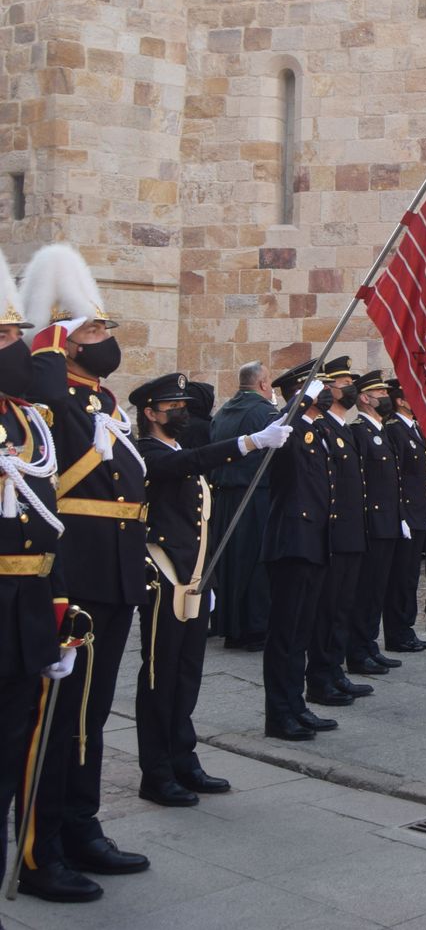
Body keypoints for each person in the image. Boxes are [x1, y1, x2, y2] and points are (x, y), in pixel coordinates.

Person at [17, 244, 152, 897]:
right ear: (67, 342)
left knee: (90, 716)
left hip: (115, 570)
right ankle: (48, 844)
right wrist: (43, 338)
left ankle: (81, 826)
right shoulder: (53, 393)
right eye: (95, 330)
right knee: (60, 718)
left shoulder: (99, 399)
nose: (107, 341)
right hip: (77, 571)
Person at [130, 372, 291, 807]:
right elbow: (186, 465)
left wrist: (209, 580)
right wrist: (251, 442)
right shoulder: (146, 451)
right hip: (164, 579)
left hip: (195, 577)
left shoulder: (178, 448)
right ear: (150, 413)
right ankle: (156, 771)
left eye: (185, 403)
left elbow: (198, 522)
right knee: (159, 678)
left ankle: (183, 758)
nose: (182, 411)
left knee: (187, 675)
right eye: (173, 406)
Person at [0, 249, 81, 901]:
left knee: (11, 760)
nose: (15, 346)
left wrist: (54, 612)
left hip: (25, 614)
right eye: (1, 338)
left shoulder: (28, 421)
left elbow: (46, 527)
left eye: (12, 335)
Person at [259, 362, 338, 742]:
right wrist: (294, 405)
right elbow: (282, 457)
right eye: (318, 386)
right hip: (291, 541)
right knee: (285, 634)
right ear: (299, 391)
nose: (325, 392)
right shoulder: (286, 429)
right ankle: (279, 714)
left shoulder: (317, 429)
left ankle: (297, 704)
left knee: (301, 631)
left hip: (315, 540)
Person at [306, 356, 375, 707]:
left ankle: (335, 671)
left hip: (351, 531)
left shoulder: (342, 429)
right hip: (334, 534)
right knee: (328, 609)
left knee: (343, 606)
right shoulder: (322, 430)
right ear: (326, 389)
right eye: (343, 383)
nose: (350, 388)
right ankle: (320, 678)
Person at [208, 362, 278, 651]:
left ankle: (230, 625)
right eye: (270, 382)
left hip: (225, 496)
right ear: (262, 384)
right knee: (254, 563)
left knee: (230, 563)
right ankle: (254, 628)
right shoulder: (265, 412)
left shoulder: (223, 412)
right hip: (255, 496)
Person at [346, 371, 404, 672]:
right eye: (379, 392)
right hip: (373, 522)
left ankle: (369, 644)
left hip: (389, 520)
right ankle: (357, 651)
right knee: (365, 590)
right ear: (365, 398)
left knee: (377, 588)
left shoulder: (381, 429)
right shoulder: (359, 431)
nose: (385, 397)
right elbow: (362, 483)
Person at [384, 379, 426, 649]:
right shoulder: (395, 430)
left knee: (411, 576)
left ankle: (406, 628)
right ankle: (397, 633)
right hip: (406, 515)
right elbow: (398, 477)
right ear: (401, 401)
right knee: (401, 578)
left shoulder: (412, 428)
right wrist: (402, 514)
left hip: (417, 512)